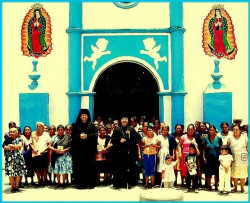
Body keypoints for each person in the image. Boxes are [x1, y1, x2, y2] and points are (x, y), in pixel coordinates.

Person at [71, 109, 98, 189]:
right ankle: (80, 184)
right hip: (79, 151)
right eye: (83, 115)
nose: (84, 117)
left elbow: (95, 135)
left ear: (87, 116)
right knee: (79, 167)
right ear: (80, 116)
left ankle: (89, 184)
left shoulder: (91, 125)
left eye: (85, 115)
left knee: (89, 167)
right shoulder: (76, 125)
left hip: (89, 151)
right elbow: (73, 136)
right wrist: (79, 136)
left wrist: (87, 136)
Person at [111, 116, 140, 188]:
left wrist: (130, 136)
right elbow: (112, 139)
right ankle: (119, 184)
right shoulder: (117, 129)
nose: (124, 121)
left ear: (127, 121)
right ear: (121, 121)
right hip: (119, 153)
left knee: (130, 168)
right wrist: (119, 140)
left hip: (129, 152)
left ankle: (130, 182)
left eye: (125, 120)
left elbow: (137, 137)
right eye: (123, 120)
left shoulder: (131, 128)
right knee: (119, 168)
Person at [2, 128, 27, 193]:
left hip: (18, 158)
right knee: (11, 173)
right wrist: (14, 147)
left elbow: (19, 146)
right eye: (11, 132)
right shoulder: (7, 140)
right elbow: (5, 147)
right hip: (9, 159)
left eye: (14, 132)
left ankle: (16, 187)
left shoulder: (20, 139)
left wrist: (11, 145)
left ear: (17, 133)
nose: (12, 133)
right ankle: (12, 187)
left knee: (18, 172)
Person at [48, 125, 73, 189]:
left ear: (64, 130)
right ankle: (58, 183)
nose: (60, 131)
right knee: (57, 169)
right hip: (56, 156)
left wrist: (65, 150)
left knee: (64, 169)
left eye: (62, 130)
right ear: (57, 131)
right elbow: (49, 146)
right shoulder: (54, 137)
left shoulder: (67, 137)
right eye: (59, 130)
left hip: (65, 155)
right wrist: (55, 150)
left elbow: (70, 146)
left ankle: (63, 183)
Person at [228, 124, 248, 193]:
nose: (235, 131)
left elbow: (247, 148)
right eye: (234, 129)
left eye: (237, 129)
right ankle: (235, 188)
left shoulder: (245, 137)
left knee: (243, 173)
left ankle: (242, 188)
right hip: (234, 158)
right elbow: (228, 148)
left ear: (240, 130)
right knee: (234, 173)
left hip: (243, 158)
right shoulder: (230, 138)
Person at [31, 122, 51, 187]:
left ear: (42, 127)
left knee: (44, 169)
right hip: (36, 154)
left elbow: (50, 144)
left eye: (40, 126)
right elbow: (31, 143)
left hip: (44, 153)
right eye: (37, 126)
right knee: (38, 169)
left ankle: (44, 182)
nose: (38, 127)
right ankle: (39, 181)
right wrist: (34, 150)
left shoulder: (46, 134)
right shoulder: (34, 134)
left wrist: (44, 150)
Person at [203, 125, 222, 191]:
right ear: (208, 131)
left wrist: (221, 157)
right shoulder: (205, 139)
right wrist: (204, 158)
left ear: (215, 131)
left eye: (213, 130)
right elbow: (204, 149)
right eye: (210, 130)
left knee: (216, 173)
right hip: (208, 158)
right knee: (208, 173)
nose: (211, 131)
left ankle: (216, 185)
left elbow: (221, 149)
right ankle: (209, 186)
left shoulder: (219, 139)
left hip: (216, 158)